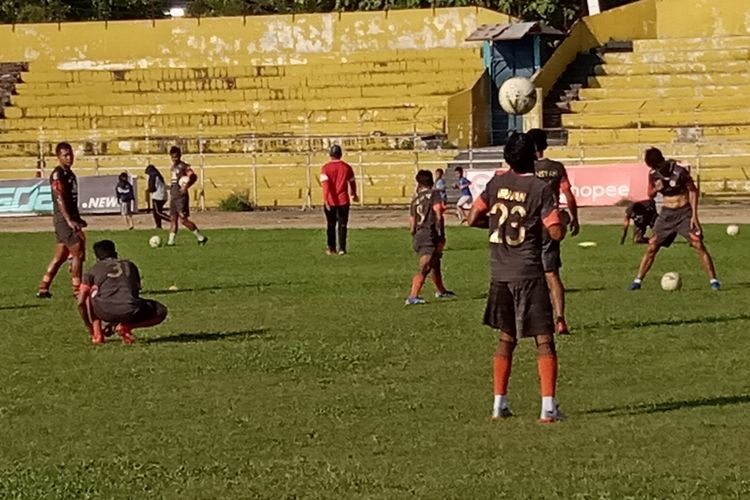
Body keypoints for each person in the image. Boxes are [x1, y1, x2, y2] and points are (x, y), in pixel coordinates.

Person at [467, 132, 567, 424]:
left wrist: (496, 227)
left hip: (500, 274)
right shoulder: (539, 188)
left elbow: (473, 217)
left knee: (506, 338)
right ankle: (548, 408)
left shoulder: (496, 183)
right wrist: (561, 222)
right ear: (534, 157)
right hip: (529, 273)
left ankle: (499, 404)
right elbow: (555, 231)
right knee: (544, 340)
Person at [630, 148, 720, 290]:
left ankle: (714, 281)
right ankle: (637, 281)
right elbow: (650, 194)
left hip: (684, 213)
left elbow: (693, 191)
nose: (655, 168)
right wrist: (656, 189)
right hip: (666, 215)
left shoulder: (680, 171)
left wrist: (694, 216)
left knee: (698, 244)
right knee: (652, 246)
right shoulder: (653, 174)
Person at [527, 128, 580, 336]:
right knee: (552, 274)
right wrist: (575, 218)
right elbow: (568, 193)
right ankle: (560, 319)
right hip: (552, 224)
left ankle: (532, 318)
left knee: (528, 273)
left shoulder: (526, 168)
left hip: (530, 224)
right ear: (545, 146)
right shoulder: (557, 168)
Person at [78, 240, 168, 345]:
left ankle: (97, 335)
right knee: (161, 311)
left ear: (97, 257)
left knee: (91, 292)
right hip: (130, 309)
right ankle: (126, 326)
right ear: (115, 253)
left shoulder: (92, 270)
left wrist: (89, 326)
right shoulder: (130, 265)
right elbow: (136, 289)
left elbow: (81, 301)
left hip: (103, 310)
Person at [37, 142, 87, 298]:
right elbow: (59, 198)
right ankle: (77, 290)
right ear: (58, 157)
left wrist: (77, 218)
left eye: (70, 154)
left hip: (69, 218)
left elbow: (72, 199)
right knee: (78, 252)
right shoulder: (58, 174)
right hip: (62, 220)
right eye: (65, 155)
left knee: (60, 256)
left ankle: (43, 287)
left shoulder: (70, 174)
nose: (69, 157)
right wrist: (69, 220)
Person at [405, 170, 455, 305]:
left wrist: (415, 234)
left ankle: (441, 290)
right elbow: (438, 212)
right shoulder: (434, 194)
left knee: (435, 263)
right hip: (429, 233)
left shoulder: (415, 199)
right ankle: (413, 296)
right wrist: (441, 234)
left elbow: (412, 223)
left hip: (419, 234)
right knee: (425, 266)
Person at [320, 144, 358, 255]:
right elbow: (352, 182)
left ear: (330, 155)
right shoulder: (346, 167)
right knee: (343, 225)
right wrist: (354, 194)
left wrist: (326, 199)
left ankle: (332, 248)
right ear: (340, 154)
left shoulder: (325, 168)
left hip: (331, 201)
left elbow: (326, 185)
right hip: (343, 200)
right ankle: (342, 248)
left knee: (330, 225)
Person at [167, 146, 207, 246]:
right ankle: (171, 241)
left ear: (180, 156)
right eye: (172, 157)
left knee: (183, 220)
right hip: (174, 196)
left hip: (181, 197)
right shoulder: (173, 167)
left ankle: (200, 237)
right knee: (173, 218)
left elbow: (193, 176)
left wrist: (186, 186)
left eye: (176, 156)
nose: (174, 159)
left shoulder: (183, 166)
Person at [145, 164, 170, 229]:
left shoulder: (152, 176)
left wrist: (148, 190)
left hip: (157, 196)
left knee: (157, 212)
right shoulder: (159, 176)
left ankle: (170, 219)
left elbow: (152, 188)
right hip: (164, 195)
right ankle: (158, 226)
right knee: (156, 213)